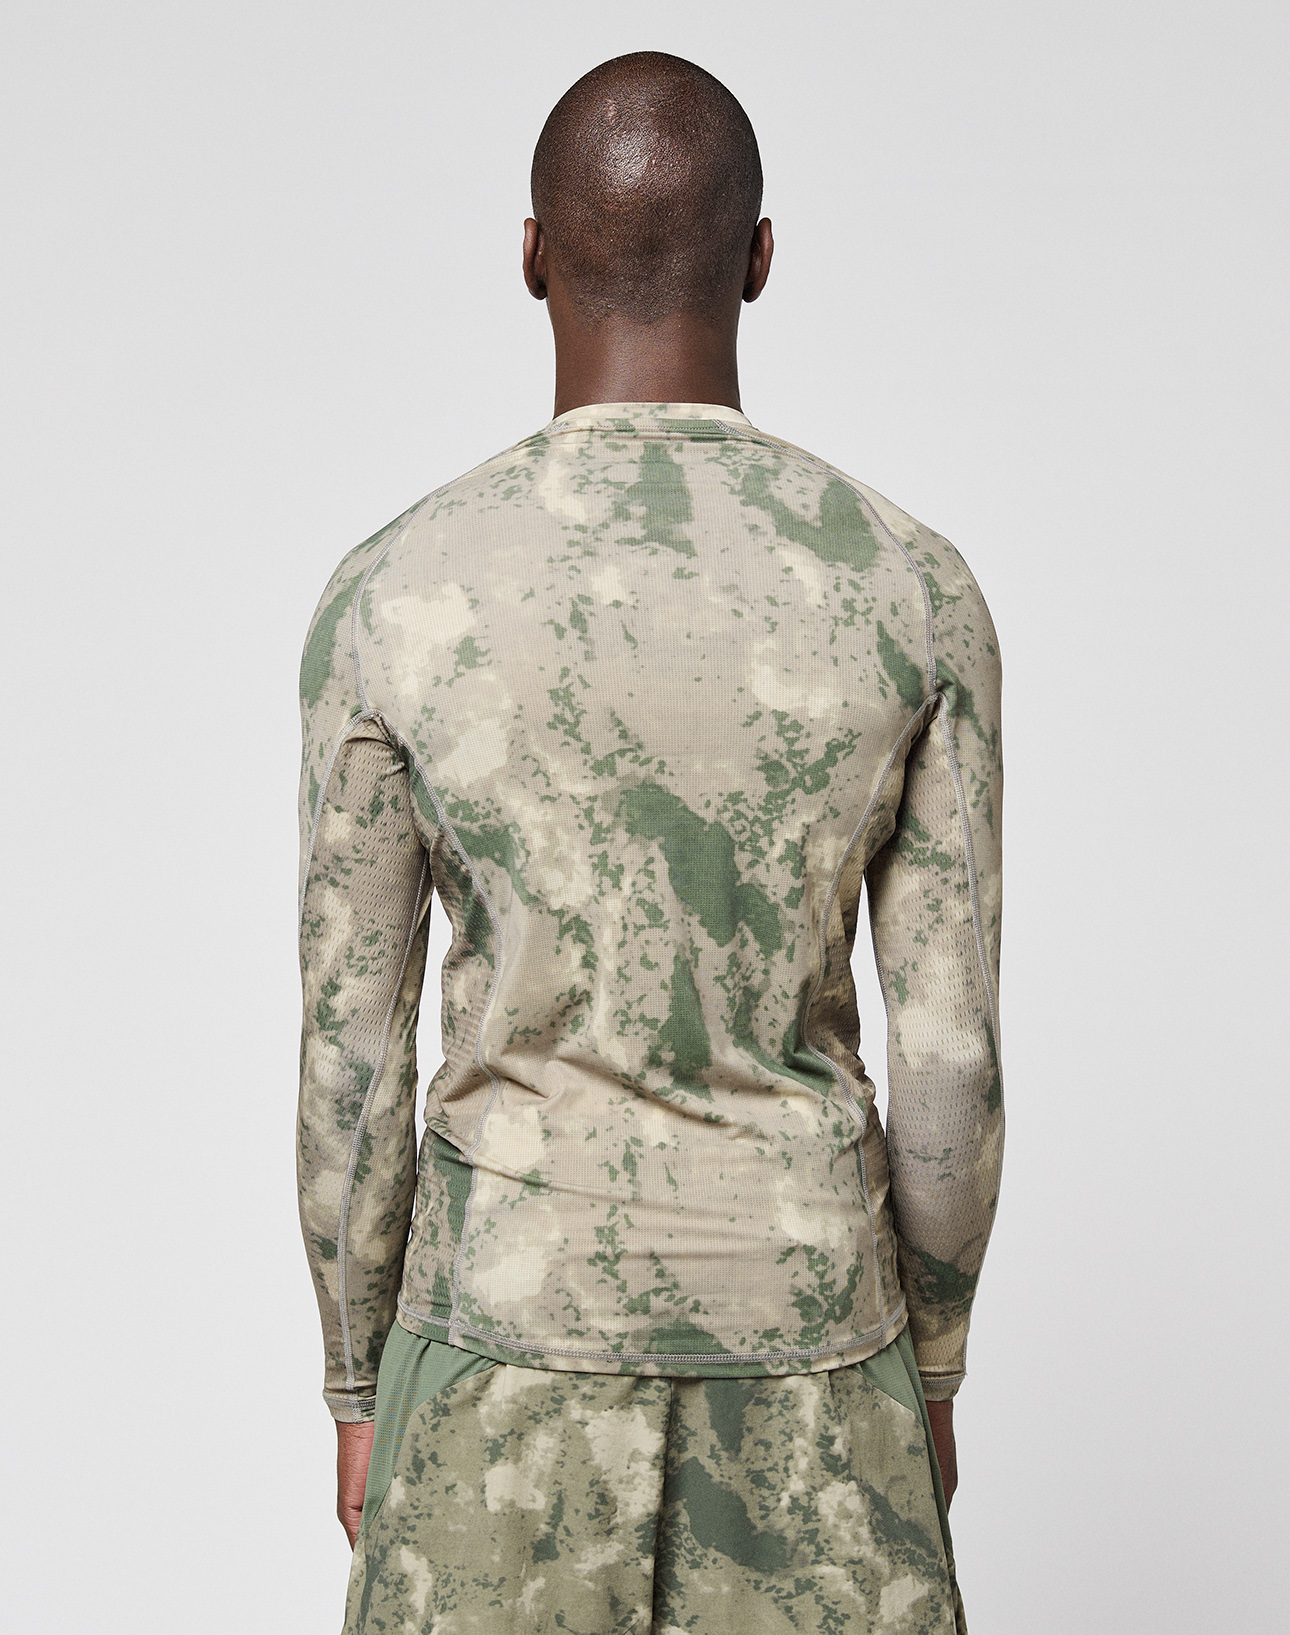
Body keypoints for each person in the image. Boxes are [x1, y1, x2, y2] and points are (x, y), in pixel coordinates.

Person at [297, 49, 1002, 1635]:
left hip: (500, 1338)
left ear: (531, 255)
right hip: (814, 1340)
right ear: (758, 259)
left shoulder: (396, 590)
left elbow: (350, 1053)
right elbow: (950, 1058)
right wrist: (931, 1367)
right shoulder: (910, 586)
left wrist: (354, 1378)